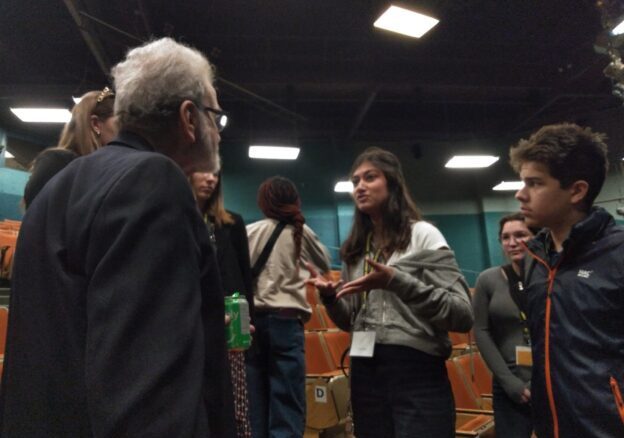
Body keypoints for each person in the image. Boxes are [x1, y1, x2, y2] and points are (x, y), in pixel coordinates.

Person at [0, 37, 235, 437]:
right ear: (188, 118)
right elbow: (149, 397)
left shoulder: (59, 188)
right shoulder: (154, 182)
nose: (219, 131)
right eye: (216, 115)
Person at [308, 147, 474, 438]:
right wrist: (331, 299)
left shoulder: (424, 235)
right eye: (355, 181)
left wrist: (397, 281)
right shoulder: (356, 250)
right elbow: (351, 322)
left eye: (370, 177)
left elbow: (462, 314)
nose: (360, 186)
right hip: (365, 370)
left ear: (393, 183)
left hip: (415, 369)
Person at [510, 123, 624, 438]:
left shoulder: (618, 254)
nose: (520, 194)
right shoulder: (535, 259)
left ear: (576, 190)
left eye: (534, 183)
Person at [245, 176, 331, 438]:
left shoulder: (249, 232)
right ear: (296, 201)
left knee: (255, 406)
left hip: (251, 325)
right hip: (286, 323)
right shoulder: (301, 233)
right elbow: (325, 265)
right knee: (288, 407)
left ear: (263, 203)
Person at [190, 169, 254, 438]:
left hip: (232, 328)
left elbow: (245, 276)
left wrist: (248, 318)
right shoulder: (181, 221)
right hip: (196, 327)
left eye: (215, 174)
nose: (211, 179)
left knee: (235, 407)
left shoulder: (232, 223)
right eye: (203, 172)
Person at [473, 212, 535, 437]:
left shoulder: (550, 277)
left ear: (535, 237)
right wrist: (509, 382)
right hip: (509, 383)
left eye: (520, 235)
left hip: (550, 380)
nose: (512, 243)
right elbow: (481, 331)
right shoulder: (488, 280)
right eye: (505, 237)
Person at [23, 87, 117, 209]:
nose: (125, 131)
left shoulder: (112, 168)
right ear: (95, 124)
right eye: (120, 122)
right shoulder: (57, 162)